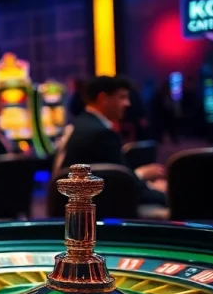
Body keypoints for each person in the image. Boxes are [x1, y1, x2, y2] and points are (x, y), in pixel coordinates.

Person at [57, 76, 166, 205]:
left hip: (79, 203)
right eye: (122, 97)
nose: (127, 103)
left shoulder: (82, 123)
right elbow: (122, 186)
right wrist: (162, 193)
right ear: (103, 98)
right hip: (95, 207)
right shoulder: (100, 133)